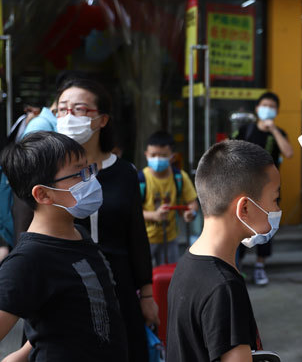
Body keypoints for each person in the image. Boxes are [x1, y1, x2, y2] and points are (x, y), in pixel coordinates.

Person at [0, 131, 127, 361]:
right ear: (43, 194)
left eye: (88, 169)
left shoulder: (79, 233)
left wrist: (24, 352)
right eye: (79, 174)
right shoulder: (28, 260)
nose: (90, 179)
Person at [56, 77, 156, 362]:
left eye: (79, 109)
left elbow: (136, 236)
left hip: (119, 288)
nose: (68, 117)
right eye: (62, 109)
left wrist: (147, 295)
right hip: (64, 286)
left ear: (102, 120)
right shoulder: (48, 173)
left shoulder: (124, 172)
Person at [167, 140, 280, 362]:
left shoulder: (188, 263)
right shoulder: (224, 288)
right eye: (275, 199)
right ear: (245, 208)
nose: (277, 210)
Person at [232, 91, 293, 286]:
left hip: (269, 190)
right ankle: (236, 266)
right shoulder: (246, 130)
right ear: (257, 108)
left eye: (272, 106)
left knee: (266, 228)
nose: (268, 109)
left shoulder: (279, 132)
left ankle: (260, 267)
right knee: (239, 226)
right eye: (265, 105)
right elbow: (230, 151)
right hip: (244, 188)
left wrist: (274, 130)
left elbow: (289, 153)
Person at [141, 130, 198, 266]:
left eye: (163, 156)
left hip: (170, 240)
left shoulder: (180, 177)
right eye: (153, 155)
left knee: (169, 278)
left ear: (172, 157)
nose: (157, 159)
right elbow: (131, 211)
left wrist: (192, 213)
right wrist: (154, 215)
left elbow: (192, 203)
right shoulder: (140, 179)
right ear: (146, 155)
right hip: (144, 240)